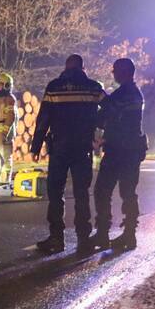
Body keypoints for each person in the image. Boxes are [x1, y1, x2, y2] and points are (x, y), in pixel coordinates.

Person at [30, 54, 105, 254]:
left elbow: (43, 119)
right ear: (82, 67)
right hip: (83, 147)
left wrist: (36, 146)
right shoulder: (93, 87)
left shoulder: (54, 86)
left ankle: (57, 238)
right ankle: (83, 239)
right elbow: (109, 109)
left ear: (66, 67)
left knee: (56, 193)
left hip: (59, 148)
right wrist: (98, 129)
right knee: (82, 194)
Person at [93, 58, 148, 252]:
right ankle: (128, 234)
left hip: (119, 150)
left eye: (115, 70)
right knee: (127, 192)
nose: (113, 73)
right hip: (130, 150)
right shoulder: (133, 93)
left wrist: (101, 97)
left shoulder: (126, 94)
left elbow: (108, 113)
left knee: (103, 190)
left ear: (124, 72)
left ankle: (104, 233)